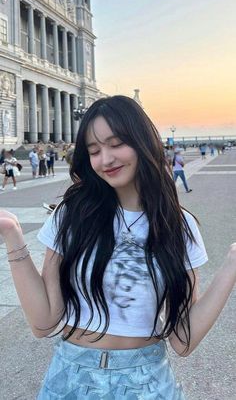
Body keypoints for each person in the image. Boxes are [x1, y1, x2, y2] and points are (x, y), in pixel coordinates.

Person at [0, 96, 235, 400]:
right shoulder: (73, 214)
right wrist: (13, 236)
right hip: (70, 379)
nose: (105, 159)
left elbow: (182, 341)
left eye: (116, 144)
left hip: (147, 382)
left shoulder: (178, 225)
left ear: (142, 142)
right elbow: (44, 323)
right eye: (94, 150)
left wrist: (231, 264)